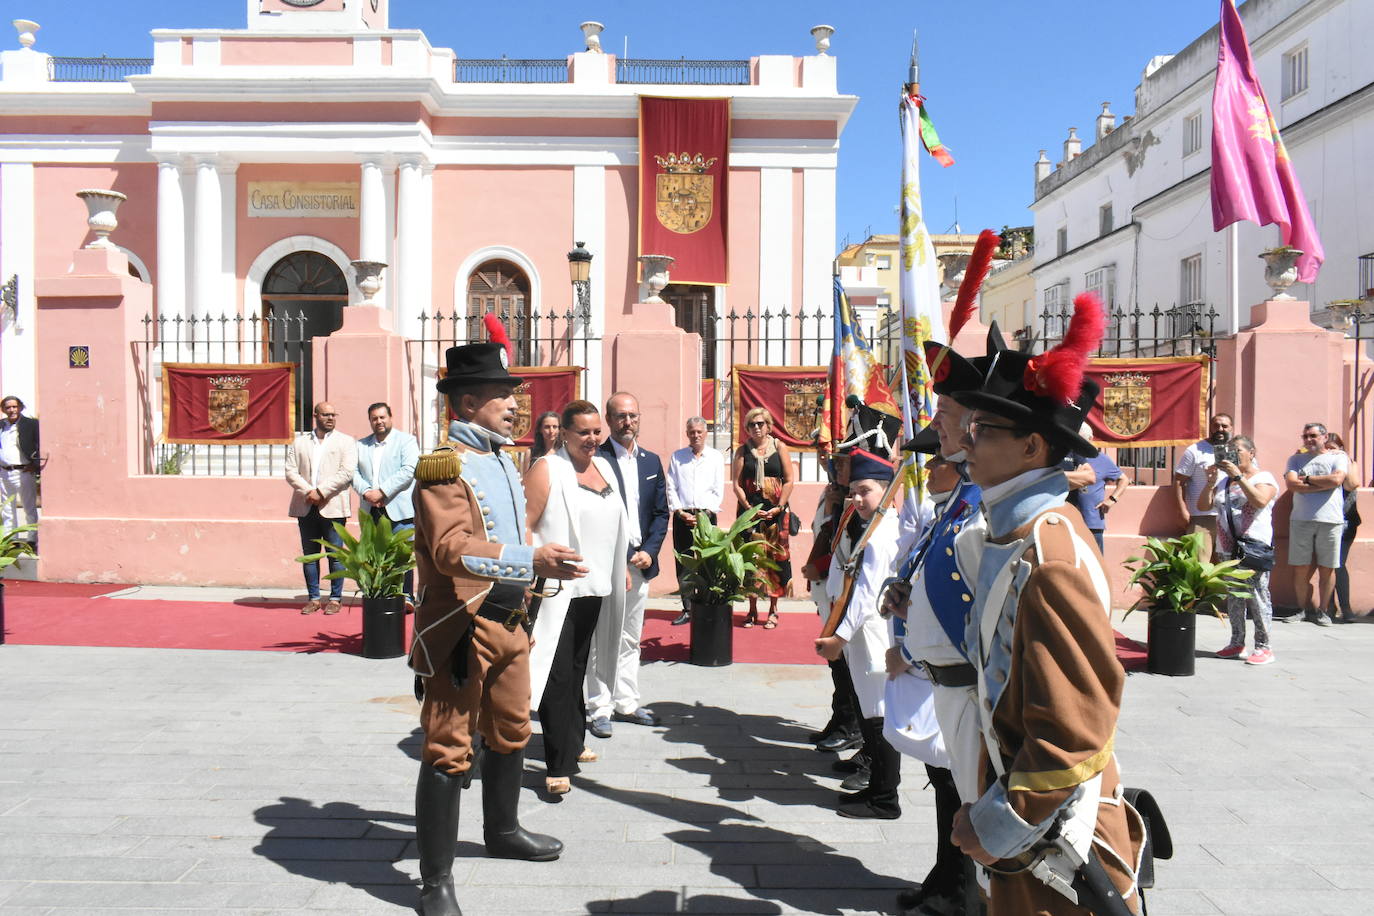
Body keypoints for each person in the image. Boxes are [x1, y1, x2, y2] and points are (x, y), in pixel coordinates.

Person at [949, 299, 1144, 915]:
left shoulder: (1049, 552)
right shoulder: (1019, 535)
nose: (963, 443)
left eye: (982, 431)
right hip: (1031, 828)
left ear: (1033, 448)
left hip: (1057, 842)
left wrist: (997, 823)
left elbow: (1073, 728)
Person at [408, 342, 585, 916]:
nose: (514, 403)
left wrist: (536, 566)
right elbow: (451, 548)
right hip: (462, 626)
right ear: (467, 402)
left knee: (511, 732)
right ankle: (435, 882)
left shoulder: (505, 462)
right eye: (501, 395)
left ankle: (503, 831)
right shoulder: (444, 466)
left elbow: (510, 536)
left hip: (509, 621)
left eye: (512, 393)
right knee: (448, 750)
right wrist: (529, 561)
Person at [881, 335, 999, 916]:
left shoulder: (982, 509)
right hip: (941, 677)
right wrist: (903, 609)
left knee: (965, 794)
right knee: (948, 791)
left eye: (949, 419)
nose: (928, 470)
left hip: (966, 684)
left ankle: (961, 891)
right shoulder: (955, 508)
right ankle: (948, 882)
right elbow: (928, 575)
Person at [524, 400, 629, 795]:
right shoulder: (547, 468)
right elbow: (526, 523)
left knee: (580, 667)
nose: (592, 438)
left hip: (597, 586)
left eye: (596, 431)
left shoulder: (603, 468)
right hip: (558, 589)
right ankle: (556, 763)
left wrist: (619, 567)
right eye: (583, 432)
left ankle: (575, 738)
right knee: (557, 671)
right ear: (562, 433)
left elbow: (615, 522)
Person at [815, 450, 903, 820]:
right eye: (852, 491)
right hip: (861, 637)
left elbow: (867, 595)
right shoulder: (872, 526)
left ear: (885, 491)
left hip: (872, 637)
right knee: (869, 714)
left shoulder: (882, 535)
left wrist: (840, 636)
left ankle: (885, 798)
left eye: (864, 491)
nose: (856, 499)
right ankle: (876, 786)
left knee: (878, 715)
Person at [587, 392, 670, 738]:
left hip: (641, 562)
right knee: (600, 638)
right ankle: (599, 706)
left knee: (630, 638)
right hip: (608, 565)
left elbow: (661, 513)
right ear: (608, 419)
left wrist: (650, 551)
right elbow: (593, 517)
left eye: (633, 416)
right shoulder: (596, 460)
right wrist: (620, 556)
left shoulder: (651, 462)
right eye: (621, 416)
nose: (628, 422)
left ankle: (627, 701)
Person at [1199, 435, 1278, 665]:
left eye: (1238, 450)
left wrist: (1239, 476)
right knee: (1234, 597)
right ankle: (1236, 642)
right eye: (1229, 450)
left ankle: (1264, 647)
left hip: (1253, 548)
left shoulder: (1264, 477)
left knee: (1258, 596)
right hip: (1228, 549)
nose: (1232, 454)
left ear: (1252, 453)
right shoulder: (1224, 481)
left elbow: (1260, 500)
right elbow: (1203, 506)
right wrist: (1210, 482)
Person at [801, 479, 863, 757]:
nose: (835, 466)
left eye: (842, 462)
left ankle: (851, 727)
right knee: (836, 665)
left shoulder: (857, 503)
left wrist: (821, 567)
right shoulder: (833, 495)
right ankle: (840, 719)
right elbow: (825, 534)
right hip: (827, 588)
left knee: (847, 665)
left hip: (841, 592)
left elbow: (854, 552)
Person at [285, 402, 357, 615]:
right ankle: (314, 598)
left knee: (335, 555)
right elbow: (290, 471)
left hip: (333, 506)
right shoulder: (300, 443)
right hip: (306, 506)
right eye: (325, 414)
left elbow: (347, 472)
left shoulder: (346, 442)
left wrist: (322, 491)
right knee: (310, 555)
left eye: (333, 415)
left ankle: (335, 598)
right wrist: (309, 491)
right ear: (315, 415)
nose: (330, 418)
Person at [732, 407, 795, 628]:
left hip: (776, 516)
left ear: (769, 426)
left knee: (775, 561)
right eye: (752, 424)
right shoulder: (742, 451)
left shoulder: (780, 447)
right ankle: (751, 610)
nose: (756, 428)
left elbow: (788, 480)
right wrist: (748, 508)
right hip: (751, 515)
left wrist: (779, 507)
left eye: (760, 423)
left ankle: (773, 610)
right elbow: (737, 485)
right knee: (752, 561)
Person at [353, 402, 420, 606]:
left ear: (390, 417)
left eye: (382, 417)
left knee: (403, 555)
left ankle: (405, 596)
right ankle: (381, 595)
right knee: (374, 556)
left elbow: (409, 470)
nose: (379, 421)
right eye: (374, 418)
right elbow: (353, 472)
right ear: (370, 421)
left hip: (399, 509)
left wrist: (382, 492)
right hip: (371, 509)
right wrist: (366, 493)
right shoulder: (360, 445)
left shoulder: (406, 441)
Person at [1284, 422, 1348, 626]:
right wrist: (1322, 485)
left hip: (1331, 519)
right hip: (1301, 519)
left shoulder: (1338, 457)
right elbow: (1292, 484)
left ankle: (1323, 611)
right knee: (1300, 568)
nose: (1309, 440)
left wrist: (1309, 479)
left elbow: (1337, 480)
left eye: (1313, 436)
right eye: (1305, 436)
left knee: (1327, 568)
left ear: (1324, 436)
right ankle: (1302, 609)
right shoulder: (1295, 459)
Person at [665, 416, 726, 626]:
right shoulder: (677, 457)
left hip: (706, 517)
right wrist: (680, 511)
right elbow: (671, 486)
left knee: (707, 562)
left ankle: (706, 605)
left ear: (706, 432)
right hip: (683, 517)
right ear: (687, 433)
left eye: (699, 431)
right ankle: (688, 608)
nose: (696, 435)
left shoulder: (716, 457)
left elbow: (718, 489)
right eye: (692, 432)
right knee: (684, 563)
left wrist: (706, 513)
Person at [1174, 413, 1234, 561]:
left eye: (1224, 426)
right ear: (1210, 428)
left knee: (1224, 568)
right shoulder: (1194, 450)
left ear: (1231, 428)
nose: (1220, 429)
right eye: (1216, 425)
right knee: (1199, 564)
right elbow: (1179, 482)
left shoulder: (1236, 450)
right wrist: (1182, 511)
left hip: (1229, 518)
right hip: (1201, 517)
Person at [1066, 423, 1130, 554]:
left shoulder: (1101, 459)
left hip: (1092, 523)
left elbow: (1123, 479)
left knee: (1095, 565)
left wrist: (1112, 499)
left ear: (1091, 439)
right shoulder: (1067, 457)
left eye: (1083, 441)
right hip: (1068, 521)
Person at [1326, 432, 1362, 623]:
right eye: (1328, 448)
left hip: (1346, 521)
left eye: (1334, 448)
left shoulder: (1349, 463)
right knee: (1326, 565)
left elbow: (1353, 484)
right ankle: (1329, 607)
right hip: (1325, 519)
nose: (1331, 452)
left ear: (1341, 448)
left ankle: (1346, 609)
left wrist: (1345, 463)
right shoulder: (1320, 463)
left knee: (1338, 563)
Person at [0, 396, 40, 541]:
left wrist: (35, 465)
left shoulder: (31, 424)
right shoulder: (1, 425)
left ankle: (32, 540)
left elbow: (40, 444)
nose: (11, 410)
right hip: (4, 472)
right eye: (8, 407)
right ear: (3, 410)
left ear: (20, 408)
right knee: (7, 509)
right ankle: (11, 540)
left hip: (24, 471)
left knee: (29, 507)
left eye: (14, 407)